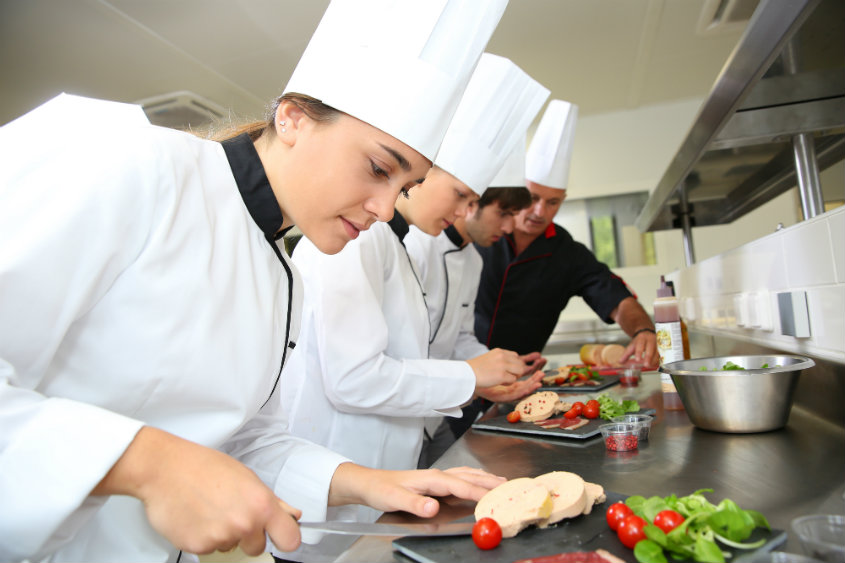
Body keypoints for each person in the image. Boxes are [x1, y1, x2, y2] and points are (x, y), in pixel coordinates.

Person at [0, 1, 510, 561]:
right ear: (291, 118)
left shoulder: (278, 269)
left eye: (405, 188)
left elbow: (244, 438)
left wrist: (372, 482)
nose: (387, 210)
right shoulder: (126, 162)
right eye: (379, 169)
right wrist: (145, 462)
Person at [279, 54, 546, 553]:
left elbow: (414, 356)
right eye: (461, 196)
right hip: (337, 490)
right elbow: (355, 379)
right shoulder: (355, 240)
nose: (465, 213)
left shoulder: (389, 245)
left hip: (387, 485)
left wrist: (482, 375)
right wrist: (471, 378)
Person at [474, 99, 659, 366]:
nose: (539, 211)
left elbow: (618, 300)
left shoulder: (568, 254)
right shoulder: (483, 233)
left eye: (553, 202)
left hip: (519, 379)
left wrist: (643, 330)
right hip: (461, 372)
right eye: (533, 197)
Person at [406, 143, 550, 467]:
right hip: (405, 411)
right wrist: (475, 377)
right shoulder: (415, 246)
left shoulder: (473, 259)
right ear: (472, 205)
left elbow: (459, 338)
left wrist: (501, 366)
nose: (510, 228)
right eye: (504, 214)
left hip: (433, 418)